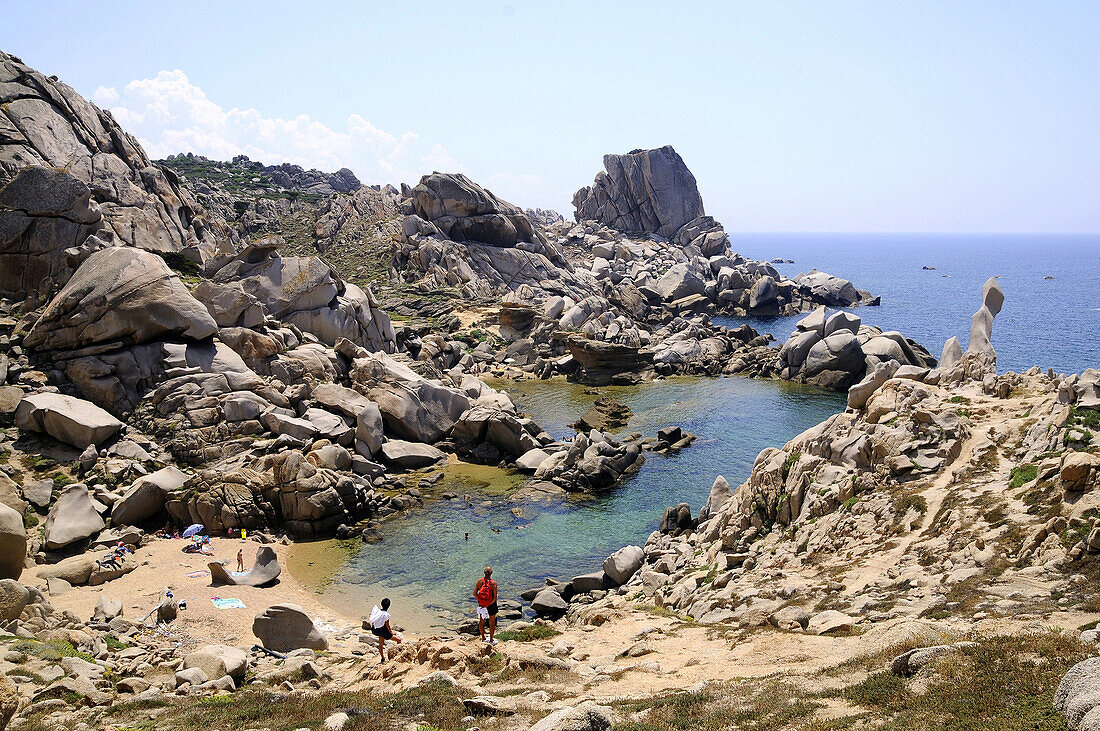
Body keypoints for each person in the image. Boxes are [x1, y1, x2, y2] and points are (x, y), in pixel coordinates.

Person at [368, 598, 402, 663]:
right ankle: (398, 655)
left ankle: (382, 658)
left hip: (376, 630)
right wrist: (391, 632)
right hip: (383, 631)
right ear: (389, 606)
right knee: (399, 640)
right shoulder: (386, 614)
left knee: (381, 644)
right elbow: (387, 625)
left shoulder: (377, 611)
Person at [474, 566, 498, 645]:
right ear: (491, 573)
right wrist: (488, 604)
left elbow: (474, 594)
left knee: (482, 621)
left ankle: (483, 638)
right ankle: (491, 640)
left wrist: (481, 601)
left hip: (482, 604)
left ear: (484, 573)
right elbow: (494, 598)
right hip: (491, 604)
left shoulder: (479, 581)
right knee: (492, 622)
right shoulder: (493, 583)